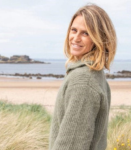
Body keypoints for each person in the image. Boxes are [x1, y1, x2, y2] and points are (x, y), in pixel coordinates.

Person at [48, 3, 117, 150]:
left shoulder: (83, 81)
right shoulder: (94, 74)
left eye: (85, 33)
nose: (76, 38)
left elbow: (71, 144)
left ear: (99, 38)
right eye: (74, 30)